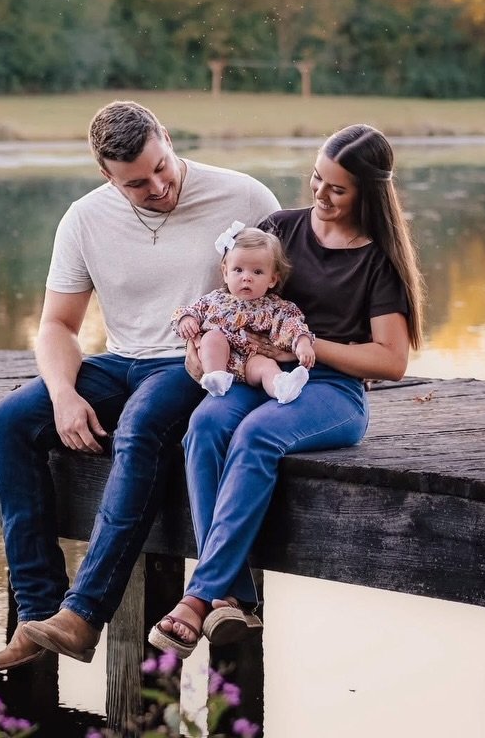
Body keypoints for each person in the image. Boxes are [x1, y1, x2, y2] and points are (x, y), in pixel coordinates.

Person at [0, 100, 279, 674]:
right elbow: (57, 326)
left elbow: (287, 298)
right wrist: (65, 395)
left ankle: (85, 614)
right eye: (137, 183)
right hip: (121, 361)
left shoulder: (246, 199)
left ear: (166, 136)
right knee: (9, 422)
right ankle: (37, 616)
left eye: (162, 167)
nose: (159, 186)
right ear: (106, 175)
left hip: (201, 366)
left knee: (140, 426)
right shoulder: (85, 219)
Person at [148, 123, 424, 657]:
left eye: (337, 189)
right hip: (258, 375)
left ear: (368, 193)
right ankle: (232, 598)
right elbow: (228, 298)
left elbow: (391, 360)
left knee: (255, 435)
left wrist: (307, 347)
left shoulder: (377, 262)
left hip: (333, 394)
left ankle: (202, 595)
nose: (320, 194)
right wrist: (202, 345)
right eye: (317, 178)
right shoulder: (280, 229)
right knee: (205, 424)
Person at [171, 225, 315, 405]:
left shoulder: (275, 307)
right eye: (238, 270)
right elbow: (188, 311)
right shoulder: (214, 300)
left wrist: (302, 342)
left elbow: (292, 325)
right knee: (212, 338)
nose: (246, 277)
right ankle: (215, 378)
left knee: (267, 366)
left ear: (272, 279)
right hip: (220, 361)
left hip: (250, 362)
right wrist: (186, 320)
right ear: (225, 272)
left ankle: (282, 387)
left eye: (257, 272)